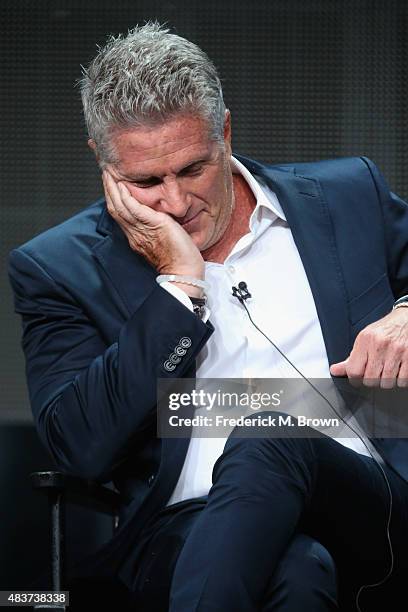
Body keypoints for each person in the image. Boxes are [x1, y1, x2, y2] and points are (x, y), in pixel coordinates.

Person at [8, 21, 408, 612]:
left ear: (224, 130)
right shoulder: (58, 267)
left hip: (367, 506)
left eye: (193, 168)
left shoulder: (349, 194)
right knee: (296, 574)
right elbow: (81, 449)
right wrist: (177, 286)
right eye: (145, 181)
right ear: (104, 161)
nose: (174, 202)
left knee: (269, 438)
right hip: (184, 529)